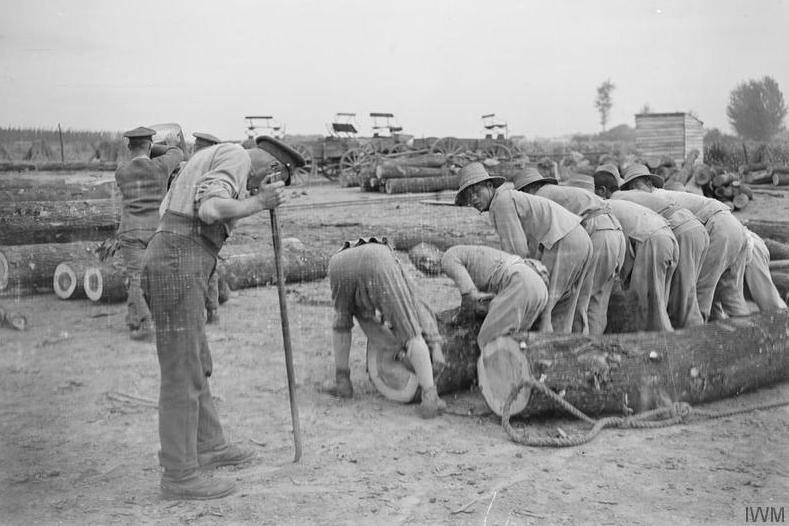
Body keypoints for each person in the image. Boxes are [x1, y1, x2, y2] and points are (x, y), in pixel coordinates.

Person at [141, 139, 290, 500]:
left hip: (179, 255)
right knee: (182, 368)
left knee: (196, 361)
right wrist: (258, 203)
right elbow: (209, 210)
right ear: (271, 166)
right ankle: (179, 474)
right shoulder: (237, 157)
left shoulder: (214, 155)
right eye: (268, 180)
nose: (257, 186)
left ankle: (209, 444)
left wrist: (251, 200)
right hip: (180, 258)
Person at [454, 162, 593, 333]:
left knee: (543, 307)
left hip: (564, 241)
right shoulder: (509, 199)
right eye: (468, 197)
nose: (473, 199)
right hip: (580, 238)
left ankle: (541, 351)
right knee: (564, 307)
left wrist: (505, 286)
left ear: (490, 186)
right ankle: (566, 349)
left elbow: (516, 252)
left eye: (476, 192)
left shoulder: (502, 203)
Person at [327, 238, 447, 418]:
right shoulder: (393, 264)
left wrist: (397, 351)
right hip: (377, 260)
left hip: (337, 264)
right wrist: (435, 344)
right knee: (410, 331)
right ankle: (430, 396)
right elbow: (417, 302)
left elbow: (369, 323)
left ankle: (342, 381)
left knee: (344, 320)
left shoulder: (374, 256)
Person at [513, 167, 625, 334]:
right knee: (596, 300)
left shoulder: (538, 197)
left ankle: (582, 348)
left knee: (581, 301)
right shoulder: (557, 192)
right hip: (615, 231)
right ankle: (593, 346)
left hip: (597, 232)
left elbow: (535, 244)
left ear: (526, 190)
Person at [614, 164, 710, 328]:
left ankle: (680, 336)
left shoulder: (620, 196)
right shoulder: (655, 195)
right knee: (684, 294)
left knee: (665, 299)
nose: (634, 189)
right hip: (697, 228)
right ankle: (691, 333)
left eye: (635, 185)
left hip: (679, 231)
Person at [115, 126, 183, 340]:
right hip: (156, 230)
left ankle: (144, 324)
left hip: (130, 231)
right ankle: (139, 318)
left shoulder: (121, 172)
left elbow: (136, 160)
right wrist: (159, 147)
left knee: (135, 278)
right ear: (150, 145)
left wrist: (146, 150)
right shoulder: (160, 167)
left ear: (128, 147)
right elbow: (178, 153)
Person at [594, 166, 679, 332]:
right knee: (658, 304)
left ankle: (656, 349)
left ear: (602, 191)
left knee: (646, 307)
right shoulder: (623, 202)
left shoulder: (605, 205)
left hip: (653, 239)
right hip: (668, 235)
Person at [652, 184, 750, 320]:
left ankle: (697, 336)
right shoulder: (668, 194)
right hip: (736, 226)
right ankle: (751, 334)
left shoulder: (653, 199)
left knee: (699, 294)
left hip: (720, 228)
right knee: (731, 294)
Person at [441, 245, 548, 349]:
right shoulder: (479, 259)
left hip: (521, 280)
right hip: (540, 291)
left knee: (490, 343)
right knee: (515, 343)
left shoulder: (450, 257)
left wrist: (457, 318)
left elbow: (472, 301)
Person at [191, 132, 225, 324]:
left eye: (198, 145)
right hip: (211, 224)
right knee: (211, 267)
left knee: (201, 268)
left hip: (199, 222)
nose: (195, 147)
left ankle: (207, 311)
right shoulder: (217, 167)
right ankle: (212, 310)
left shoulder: (199, 168)